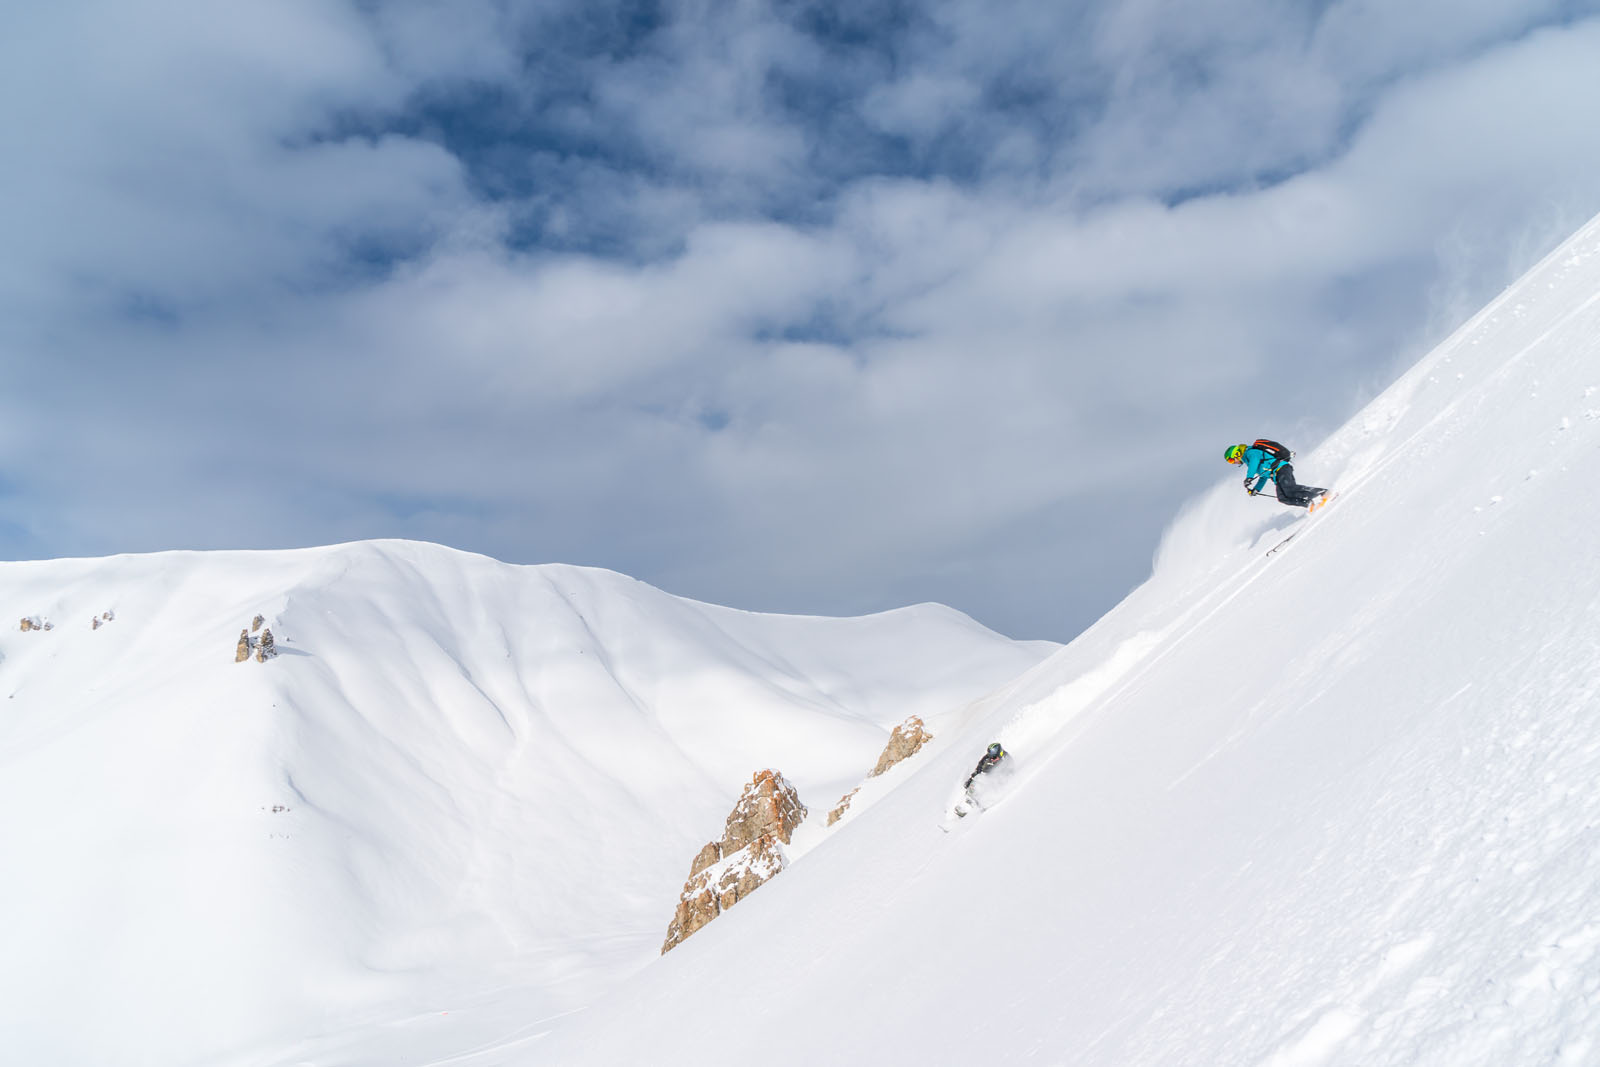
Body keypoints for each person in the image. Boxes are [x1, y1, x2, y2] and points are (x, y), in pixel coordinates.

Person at [1225, 440, 1328, 510]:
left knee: (1290, 489)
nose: (1233, 462)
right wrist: (1256, 489)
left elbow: (1254, 461)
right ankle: (1310, 504)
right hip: (1276, 475)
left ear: (1237, 454)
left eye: (1231, 460)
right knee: (1283, 497)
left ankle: (1322, 493)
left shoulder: (1250, 452)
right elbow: (1263, 476)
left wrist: (1249, 477)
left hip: (1281, 468)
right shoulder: (1248, 461)